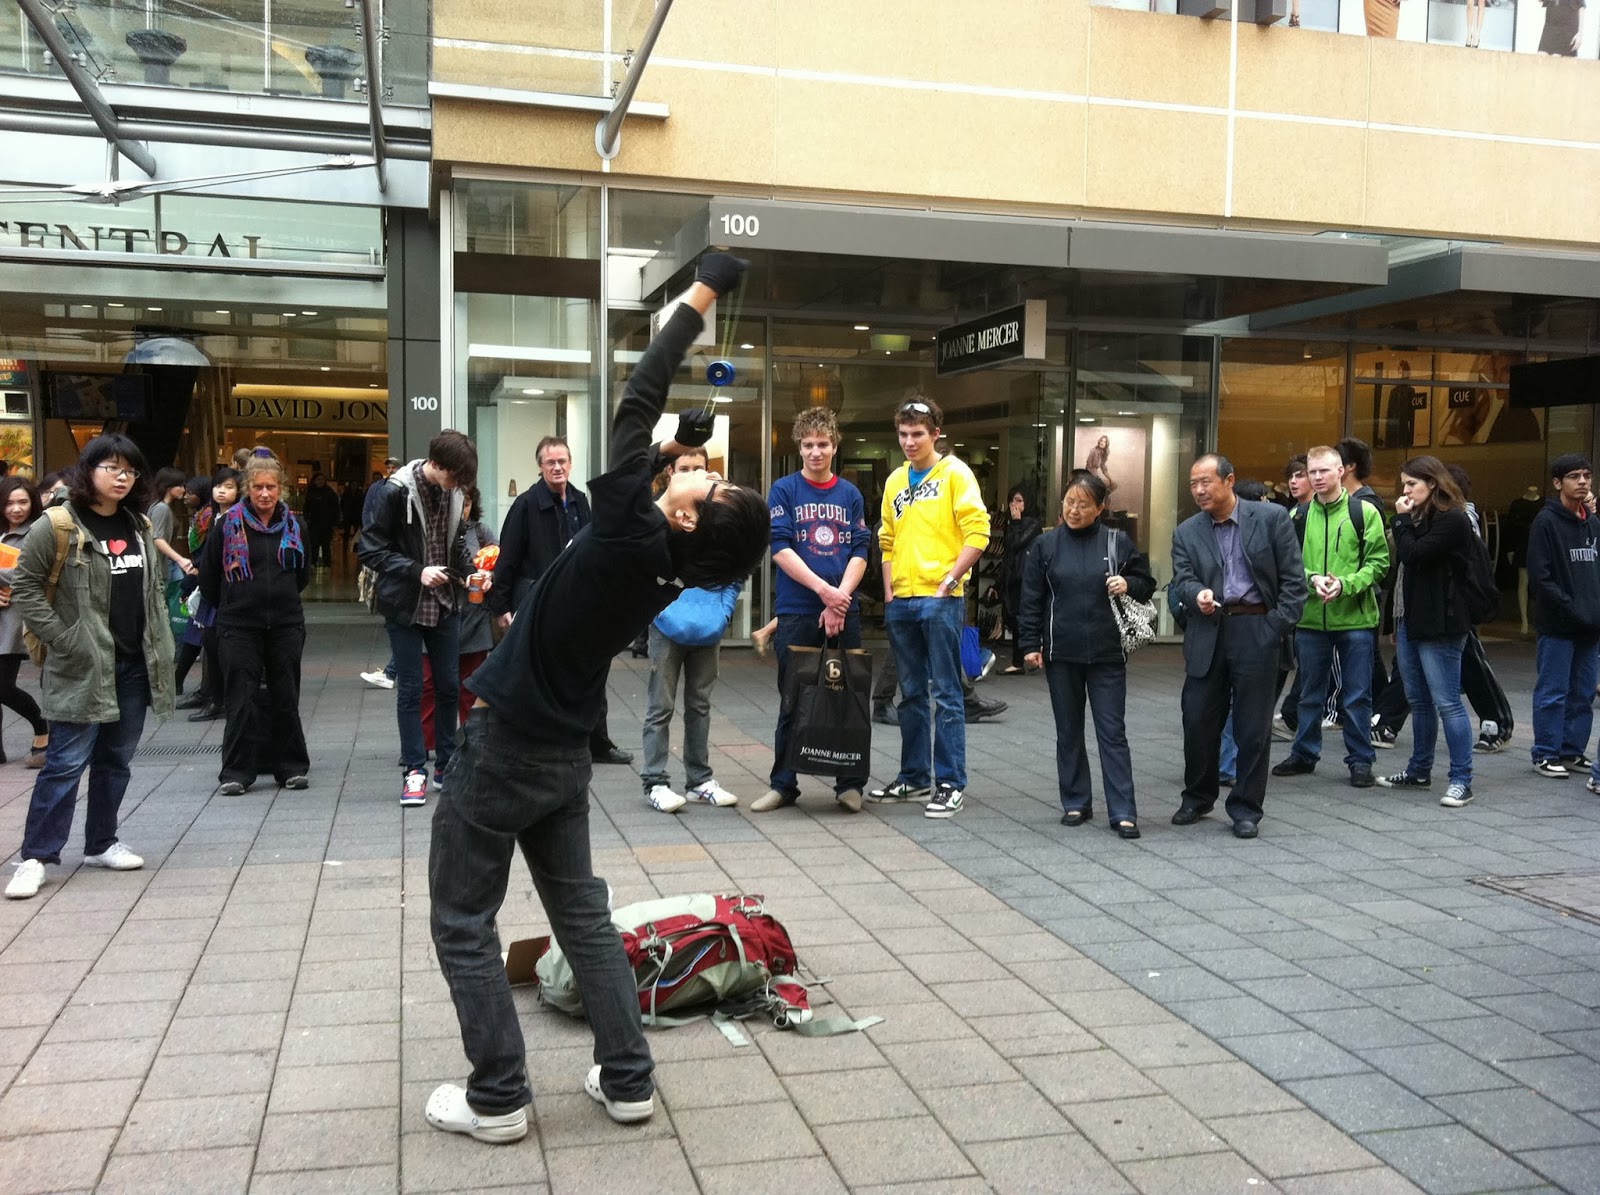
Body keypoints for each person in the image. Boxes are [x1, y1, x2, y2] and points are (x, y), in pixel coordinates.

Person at [425, 253, 767, 1144]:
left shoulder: (626, 523)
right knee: (579, 912)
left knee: (462, 916)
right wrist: (670, 456)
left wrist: (700, 295)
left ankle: (498, 1095)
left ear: (691, 518)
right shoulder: (658, 555)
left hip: (504, 744)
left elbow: (639, 389)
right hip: (564, 748)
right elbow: (653, 452)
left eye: (710, 481)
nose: (702, 471)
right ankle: (627, 1080)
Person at [4, 435, 175, 901]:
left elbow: (150, 592)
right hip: (81, 665)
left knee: (115, 761)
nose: (122, 477)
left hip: (134, 664)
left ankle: (101, 843)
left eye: (131, 471)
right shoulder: (57, 525)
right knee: (64, 764)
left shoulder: (139, 524)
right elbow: (27, 588)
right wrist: (63, 639)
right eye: (112, 468)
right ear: (88, 471)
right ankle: (36, 856)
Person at [1169, 453, 1306, 839]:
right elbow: (1183, 577)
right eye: (1193, 483)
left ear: (1230, 481)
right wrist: (1198, 595)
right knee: (1197, 719)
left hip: (1256, 628)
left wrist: (1273, 628)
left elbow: (1294, 582)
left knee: (1252, 727)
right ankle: (1197, 796)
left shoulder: (1272, 519)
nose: (1198, 490)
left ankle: (1246, 807)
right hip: (1208, 628)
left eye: (1206, 482)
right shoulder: (1187, 531)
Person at [868, 398, 991, 819]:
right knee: (912, 695)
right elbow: (886, 539)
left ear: (936, 433)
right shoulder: (894, 481)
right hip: (902, 599)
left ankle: (951, 783)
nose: (909, 441)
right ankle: (915, 777)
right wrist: (889, 591)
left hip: (940, 600)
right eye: (903, 434)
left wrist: (949, 581)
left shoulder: (956, 473)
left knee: (947, 693)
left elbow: (979, 531)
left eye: (918, 433)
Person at [1019, 471, 1155, 838]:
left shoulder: (1117, 542)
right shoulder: (1046, 546)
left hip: (1108, 653)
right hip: (1061, 652)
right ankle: (1076, 801)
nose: (1074, 510)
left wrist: (1128, 582)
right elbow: (1031, 598)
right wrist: (1030, 645)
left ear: (1100, 508)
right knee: (1069, 731)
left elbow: (1147, 584)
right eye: (1069, 503)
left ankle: (1123, 810)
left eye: (1083, 504)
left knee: (1112, 732)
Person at [751, 407, 871, 814]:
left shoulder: (850, 495)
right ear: (798, 448)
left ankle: (850, 784)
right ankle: (783, 784)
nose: (815, 452)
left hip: (844, 609)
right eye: (808, 445)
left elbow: (860, 551)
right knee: (792, 698)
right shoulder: (784, 490)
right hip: (798, 610)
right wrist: (825, 593)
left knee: (848, 697)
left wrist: (841, 598)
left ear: (835, 446)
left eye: (823, 444)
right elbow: (780, 548)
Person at [357, 431, 484, 806]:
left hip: (445, 602)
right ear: (438, 464)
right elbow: (369, 548)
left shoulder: (454, 491)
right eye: (455, 475)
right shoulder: (393, 491)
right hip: (405, 604)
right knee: (412, 689)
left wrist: (472, 572)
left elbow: (456, 544)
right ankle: (414, 770)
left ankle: (446, 765)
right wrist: (417, 570)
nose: (459, 484)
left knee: (449, 685)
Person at [491, 436, 633, 766]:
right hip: (539, 603)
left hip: (581, 603)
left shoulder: (582, 501)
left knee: (593, 671)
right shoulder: (526, 504)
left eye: (562, 462)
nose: (557, 467)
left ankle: (598, 742)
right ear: (540, 467)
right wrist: (501, 608)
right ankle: (540, 743)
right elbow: (507, 559)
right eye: (550, 462)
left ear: (571, 464)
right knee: (543, 676)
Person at [1270, 445, 1389, 789]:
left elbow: (1380, 563)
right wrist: (1312, 579)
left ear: (1341, 472)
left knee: (1357, 695)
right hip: (1310, 619)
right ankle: (1304, 753)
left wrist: (1345, 585)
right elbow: (1286, 566)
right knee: (1310, 693)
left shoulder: (1363, 512)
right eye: (1312, 472)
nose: (1317, 477)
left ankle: (1360, 760)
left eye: (1324, 471)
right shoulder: (1297, 517)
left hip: (1355, 619)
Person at [197, 455, 311, 795]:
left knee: (286, 696)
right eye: (258, 487)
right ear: (247, 488)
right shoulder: (227, 524)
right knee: (241, 697)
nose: (265, 494)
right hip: (238, 624)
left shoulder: (295, 525)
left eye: (271, 487)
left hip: (286, 623)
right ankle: (236, 772)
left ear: (281, 489)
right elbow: (209, 578)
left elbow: (301, 576)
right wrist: (236, 603)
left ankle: (291, 767)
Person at [640, 453, 743, 813]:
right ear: (671, 473)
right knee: (661, 705)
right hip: (667, 623)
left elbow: (738, 563)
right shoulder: (660, 515)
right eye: (684, 469)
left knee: (700, 705)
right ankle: (654, 780)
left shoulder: (720, 514)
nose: (692, 475)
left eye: (698, 469)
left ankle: (699, 779)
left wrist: (725, 610)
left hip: (708, 623)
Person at [1378, 456, 1479, 807]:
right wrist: (1395, 623)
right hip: (1412, 620)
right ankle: (1419, 770)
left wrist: (1402, 519)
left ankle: (1461, 780)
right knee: (1419, 701)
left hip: (1442, 623)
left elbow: (1414, 554)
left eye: (1411, 484)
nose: (1404, 491)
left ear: (1432, 484)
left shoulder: (1454, 519)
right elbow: (1403, 573)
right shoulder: (1421, 518)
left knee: (1447, 702)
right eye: (1403, 484)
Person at [1525, 453, 1600, 779]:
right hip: (1558, 625)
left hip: (1590, 625)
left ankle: (1571, 751)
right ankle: (1545, 753)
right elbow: (1541, 578)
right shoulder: (1545, 521)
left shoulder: (1593, 522)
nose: (1582, 481)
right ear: (1558, 483)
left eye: (1586, 475)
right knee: (1553, 692)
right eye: (1574, 476)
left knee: (1583, 693)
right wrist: (1572, 607)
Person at [421, 486, 497, 756]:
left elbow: (498, 566)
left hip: (474, 618)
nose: (461, 511)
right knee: (429, 682)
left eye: (466, 505)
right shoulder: (434, 530)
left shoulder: (482, 532)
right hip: (437, 616)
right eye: (457, 504)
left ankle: (469, 738)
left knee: (470, 683)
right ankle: (426, 741)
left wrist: (488, 578)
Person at [175, 467, 240, 720]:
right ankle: (211, 695)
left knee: (216, 647)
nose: (222, 491)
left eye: (229, 487)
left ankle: (219, 700)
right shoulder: (212, 516)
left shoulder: (235, 518)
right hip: (208, 588)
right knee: (208, 644)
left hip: (222, 591)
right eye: (218, 486)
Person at [0, 479, 49, 768]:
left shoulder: (37, 533)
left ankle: (42, 726)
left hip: (15, 621)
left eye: (23, 502)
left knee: (3, 687)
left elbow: (29, 574)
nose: (16, 509)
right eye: (9, 503)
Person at [359, 458, 404, 691]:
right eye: (388, 467)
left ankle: (391, 672)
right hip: (388, 565)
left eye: (394, 467)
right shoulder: (379, 490)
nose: (390, 471)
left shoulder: (400, 493)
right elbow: (369, 519)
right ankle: (391, 671)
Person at [999, 486, 1042, 674]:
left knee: (1020, 618)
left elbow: (1017, 544)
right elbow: (1006, 551)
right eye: (1013, 501)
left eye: (1019, 501)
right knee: (1013, 617)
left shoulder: (1032, 524)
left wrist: (1016, 523)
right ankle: (1022, 659)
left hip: (1024, 578)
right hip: (1012, 577)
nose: (1015, 505)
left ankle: (1021, 660)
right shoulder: (1012, 523)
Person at [301, 471, 341, 571]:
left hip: (326, 524)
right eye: (318, 479)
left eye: (322, 479)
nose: (320, 482)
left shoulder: (330, 493)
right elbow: (306, 507)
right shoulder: (311, 493)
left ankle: (327, 564)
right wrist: (307, 518)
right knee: (314, 544)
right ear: (314, 481)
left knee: (326, 544)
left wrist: (335, 523)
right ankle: (312, 563)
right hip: (314, 523)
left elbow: (335, 508)